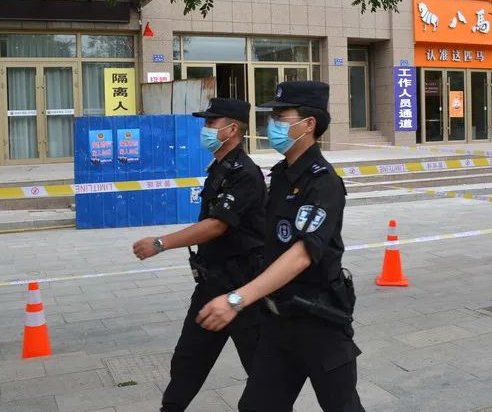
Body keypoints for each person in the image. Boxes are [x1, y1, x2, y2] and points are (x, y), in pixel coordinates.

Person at [196, 81, 364, 412]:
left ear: (308, 124)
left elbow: (301, 254)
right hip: (277, 322)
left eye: (280, 116)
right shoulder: (280, 176)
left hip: (319, 323)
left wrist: (237, 298)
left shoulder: (323, 182)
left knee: (342, 406)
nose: (272, 124)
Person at [132, 97, 266, 412]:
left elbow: (217, 225)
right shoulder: (220, 168)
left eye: (210, 123)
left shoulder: (245, 173)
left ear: (231, 130)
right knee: (189, 359)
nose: (204, 129)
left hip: (243, 289)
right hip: (211, 284)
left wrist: (160, 243)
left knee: (262, 370)